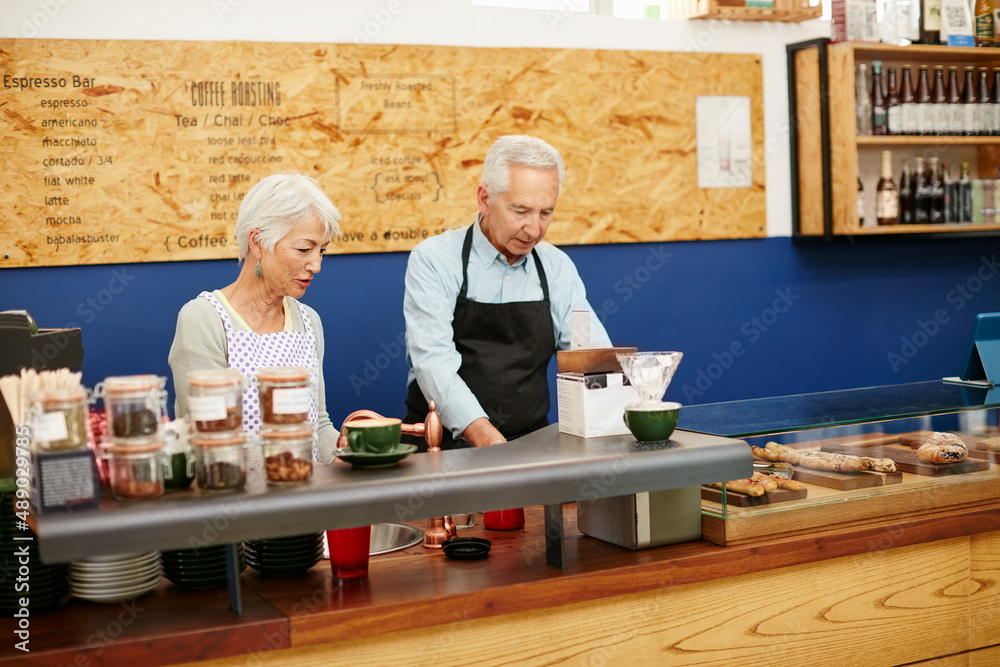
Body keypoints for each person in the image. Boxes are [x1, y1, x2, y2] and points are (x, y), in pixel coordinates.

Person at [403, 135, 611, 450]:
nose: (535, 229)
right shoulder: (434, 259)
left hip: (531, 445)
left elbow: (591, 356)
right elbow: (433, 363)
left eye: (546, 213)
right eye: (521, 211)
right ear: (485, 199)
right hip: (445, 449)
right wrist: (491, 442)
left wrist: (622, 410)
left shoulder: (556, 267)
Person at [168, 171, 341, 462]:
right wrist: (290, 463)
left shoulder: (309, 322)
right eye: (304, 249)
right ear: (258, 242)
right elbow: (209, 440)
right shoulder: (204, 320)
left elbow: (319, 428)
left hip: (303, 493)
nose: (316, 265)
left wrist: (354, 452)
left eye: (321, 250)